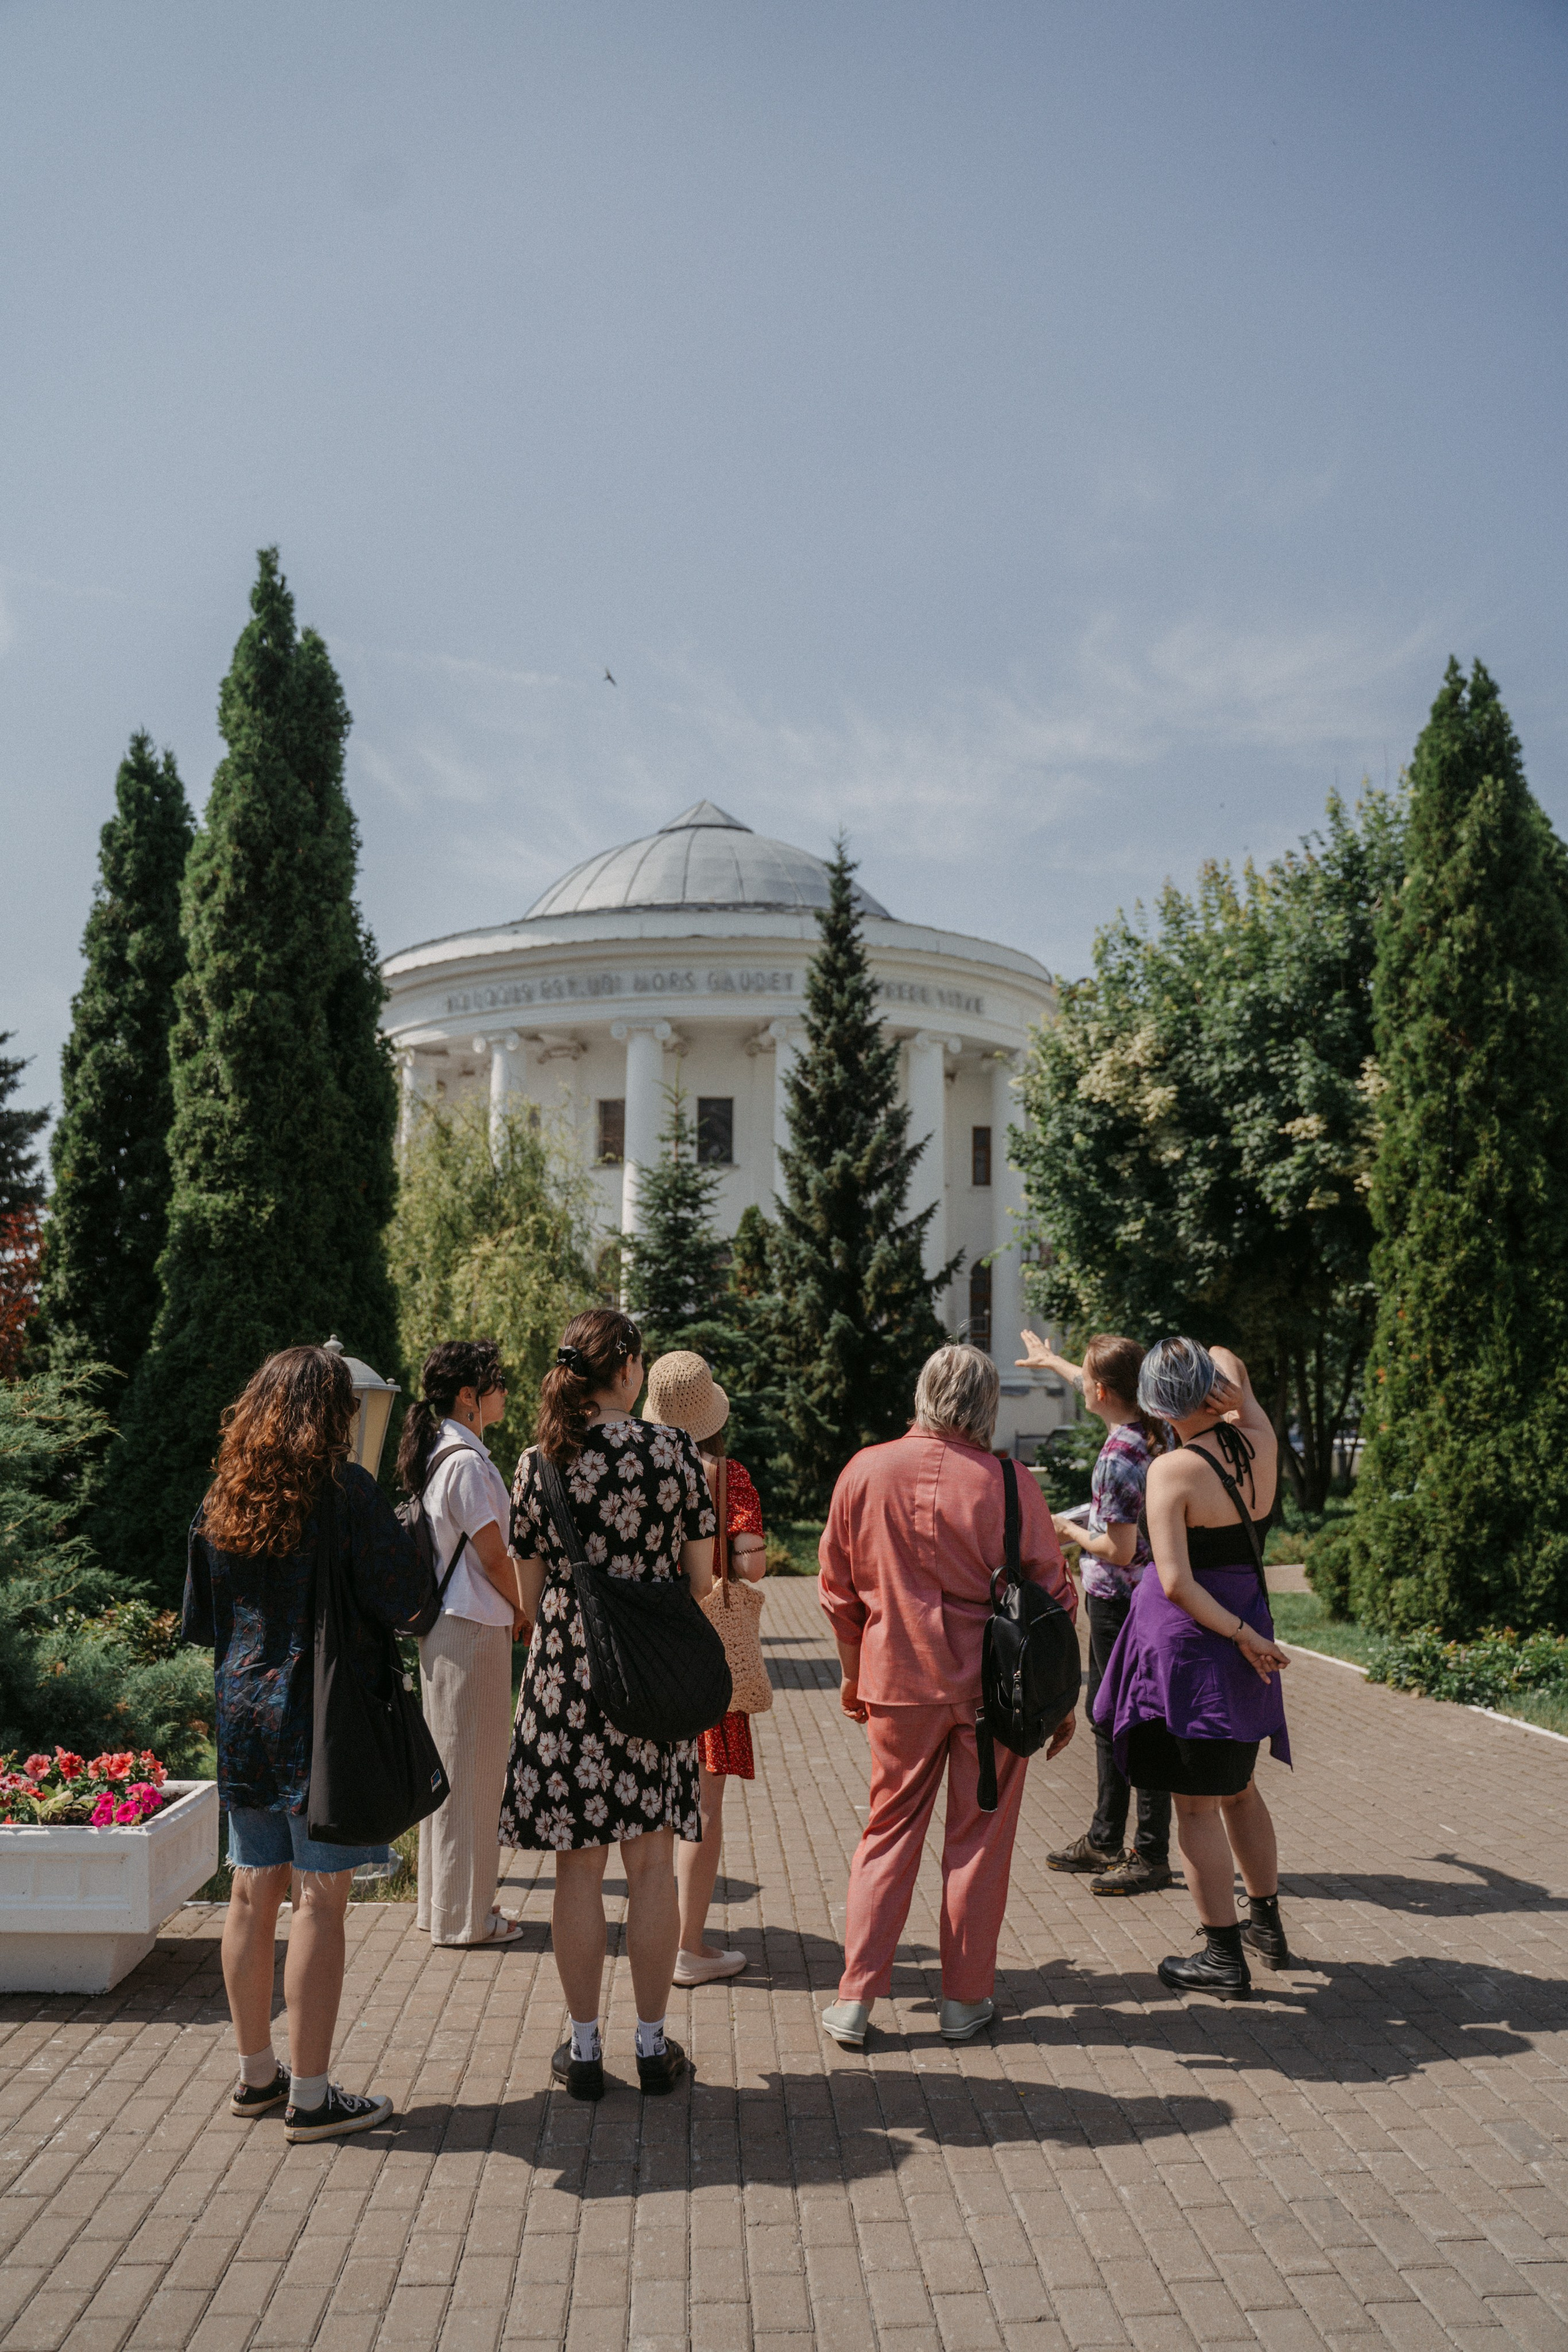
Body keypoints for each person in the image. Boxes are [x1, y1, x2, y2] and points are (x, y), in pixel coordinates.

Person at [183, 1344, 427, 2143]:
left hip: (244, 1714)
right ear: (331, 1416)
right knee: (321, 1898)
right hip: (319, 1719)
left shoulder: (224, 1495)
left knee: (253, 1890)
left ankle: (259, 2077)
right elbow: (405, 1600)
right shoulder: (345, 1494)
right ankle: (314, 2097)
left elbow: (203, 1620)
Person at [816, 1344, 1078, 2051]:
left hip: (895, 1680)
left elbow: (837, 1591)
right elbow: (1052, 1592)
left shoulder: (864, 1470)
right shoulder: (1008, 1479)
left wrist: (850, 1671)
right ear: (986, 1404)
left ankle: (854, 1998)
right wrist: (1061, 1699)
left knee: (886, 1833)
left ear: (923, 1392)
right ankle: (965, 2000)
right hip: (996, 1687)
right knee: (979, 1843)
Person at [499, 1308, 717, 2101]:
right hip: (651, 1678)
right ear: (626, 1368)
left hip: (567, 1676)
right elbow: (701, 1582)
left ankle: (583, 2050)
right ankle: (653, 2046)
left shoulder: (537, 1463)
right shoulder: (674, 1452)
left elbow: (526, 1597)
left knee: (577, 1869)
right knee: (653, 1862)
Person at [1091, 1337, 1294, 2000]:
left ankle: (1221, 1956)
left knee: (1196, 1807)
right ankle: (1266, 1925)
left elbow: (1174, 1582)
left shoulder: (1172, 1469)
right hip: (1246, 1621)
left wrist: (1239, 1638)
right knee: (1239, 1789)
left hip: (1197, 1646)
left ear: (1153, 1402)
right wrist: (1239, 1396)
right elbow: (1224, 1350)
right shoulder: (1256, 1439)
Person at [1017, 1332, 1174, 1897]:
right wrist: (1052, 1360)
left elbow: (1119, 1548)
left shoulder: (1117, 1458)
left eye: (1085, 1377)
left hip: (1121, 1601)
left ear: (1104, 1391)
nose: (1080, 1383)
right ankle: (1111, 1837)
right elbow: (1094, 1381)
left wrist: (1067, 1532)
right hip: (1151, 1598)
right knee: (1120, 1715)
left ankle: (1144, 1850)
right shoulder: (1155, 1426)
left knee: (1125, 1720)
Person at [643, 1349, 768, 1987]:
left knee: (653, 1803)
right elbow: (749, 1567)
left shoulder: (635, 1468)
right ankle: (688, 1946)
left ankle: (653, 1938)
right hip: (709, 1658)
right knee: (703, 1805)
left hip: (645, 1653)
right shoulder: (728, 1476)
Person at [398, 1340, 530, 1950]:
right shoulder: (467, 1464)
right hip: (473, 1631)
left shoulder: (442, 1456)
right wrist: (525, 1609)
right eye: (496, 1383)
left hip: (451, 1634)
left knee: (452, 1776)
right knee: (474, 1781)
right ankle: (466, 1918)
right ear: (468, 1397)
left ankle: (442, 1907)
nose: (504, 1393)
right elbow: (494, 1555)